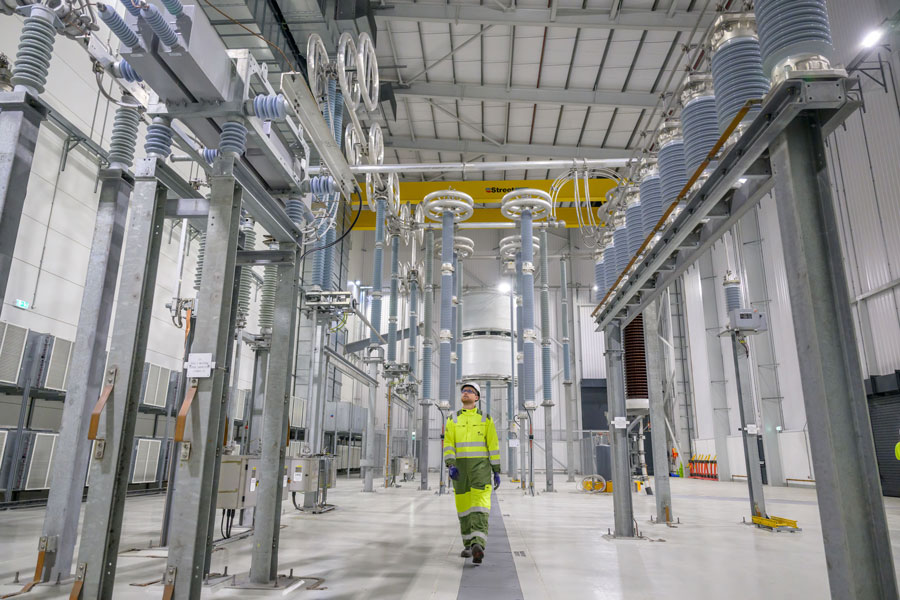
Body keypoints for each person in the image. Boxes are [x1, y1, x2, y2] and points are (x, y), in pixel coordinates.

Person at [443, 382, 501, 564]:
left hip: (480, 469)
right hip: (459, 470)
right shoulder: (453, 419)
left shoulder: (486, 419)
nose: (466, 393)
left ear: (477, 397)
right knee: (463, 508)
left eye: (470, 391)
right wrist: (450, 464)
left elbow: (493, 445)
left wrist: (496, 470)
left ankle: (478, 544)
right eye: (464, 391)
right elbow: (448, 443)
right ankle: (468, 545)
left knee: (480, 505)